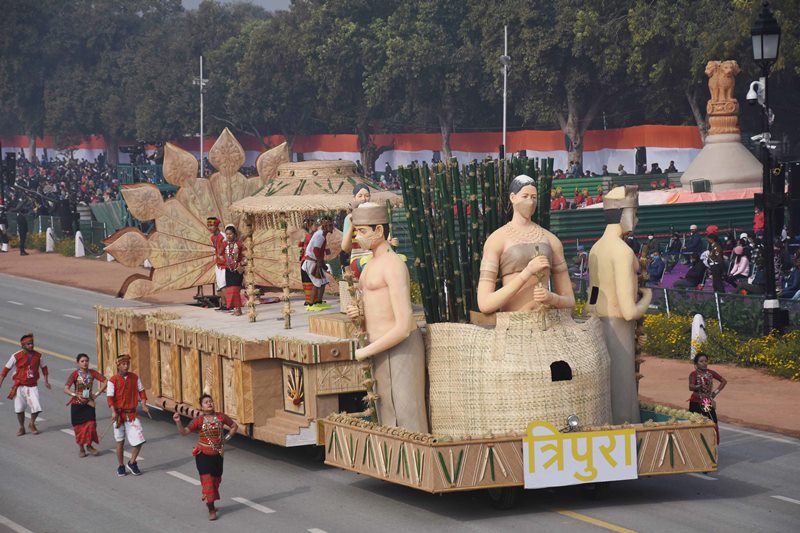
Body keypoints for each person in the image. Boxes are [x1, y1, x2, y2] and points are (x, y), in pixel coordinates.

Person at [345, 203, 427, 433]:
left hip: (400, 350)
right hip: (379, 348)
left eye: (362, 231)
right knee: (386, 414)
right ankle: (394, 468)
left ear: (379, 231)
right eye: (356, 231)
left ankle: (415, 466)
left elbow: (403, 326)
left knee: (406, 415)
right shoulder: (370, 266)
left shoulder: (393, 265)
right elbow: (371, 308)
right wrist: (358, 313)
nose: (357, 237)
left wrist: (366, 351)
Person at [585, 186, 652, 424]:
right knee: (623, 396)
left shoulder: (596, 248)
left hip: (596, 324)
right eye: (634, 212)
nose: (636, 218)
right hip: (619, 329)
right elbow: (629, 311)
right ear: (625, 213)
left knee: (605, 393)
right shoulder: (622, 252)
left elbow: (591, 296)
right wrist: (647, 297)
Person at [173, 394, 238, 521]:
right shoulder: (199, 420)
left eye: (211, 401)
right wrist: (178, 422)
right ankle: (211, 509)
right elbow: (184, 432)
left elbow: (234, 426)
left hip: (218, 455)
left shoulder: (221, 417)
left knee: (216, 481)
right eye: (206, 402)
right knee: (208, 482)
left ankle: (209, 497)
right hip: (203, 455)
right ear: (201, 406)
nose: (209, 403)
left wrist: (226, 439)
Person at [0, 333, 51, 435]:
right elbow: (5, 370)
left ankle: (32, 423)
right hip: (19, 386)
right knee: (19, 409)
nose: (31, 346)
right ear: (22, 345)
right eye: (28, 344)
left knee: (36, 407)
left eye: (32, 343)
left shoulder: (38, 356)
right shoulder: (16, 356)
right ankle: (21, 427)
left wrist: (46, 381)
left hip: (32, 386)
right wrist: (0, 382)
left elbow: (44, 368)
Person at [107, 353, 149, 476]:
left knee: (140, 440)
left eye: (127, 364)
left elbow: (142, 392)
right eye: (124, 364)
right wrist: (113, 412)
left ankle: (132, 462)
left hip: (131, 415)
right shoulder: (112, 380)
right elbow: (110, 398)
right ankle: (120, 466)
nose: (126, 366)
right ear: (118, 365)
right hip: (119, 416)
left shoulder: (134, 377)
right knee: (120, 441)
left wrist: (144, 404)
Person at [64, 353, 107, 457]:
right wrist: (75, 395)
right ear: (78, 363)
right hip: (77, 405)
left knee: (91, 425)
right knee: (79, 428)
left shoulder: (92, 373)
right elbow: (66, 389)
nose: (85, 363)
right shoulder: (74, 374)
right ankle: (81, 448)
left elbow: (106, 381)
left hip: (89, 403)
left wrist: (97, 393)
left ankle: (89, 445)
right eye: (82, 361)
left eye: (86, 361)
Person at [688, 352, 726, 443]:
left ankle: (711, 444)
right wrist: (698, 387)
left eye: (705, 361)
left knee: (712, 422)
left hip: (706, 402)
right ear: (696, 364)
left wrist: (715, 392)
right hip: (695, 402)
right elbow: (690, 387)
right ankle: (694, 443)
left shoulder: (711, 373)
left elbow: (724, 381)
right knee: (694, 423)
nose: (704, 363)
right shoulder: (693, 374)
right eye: (701, 361)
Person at [340, 184, 373, 278]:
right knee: (367, 262)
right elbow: (345, 248)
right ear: (354, 198)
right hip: (359, 259)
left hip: (375, 256)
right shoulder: (349, 218)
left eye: (367, 196)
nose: (364, 199)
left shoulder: (375, 216)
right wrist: (351, 226)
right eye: (360, 196)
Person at [302, 216, 333, 310]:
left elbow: (318, 250)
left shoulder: (321, 235)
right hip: (311, 262)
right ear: (325, 226)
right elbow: (316, 250)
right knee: (317, 283)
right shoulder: (320, 235)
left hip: (314, 262)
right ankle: (311, 304)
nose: (332, 227)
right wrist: (321, 262)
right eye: (330, 225)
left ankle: (318, 301)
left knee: (322, 282)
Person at [222, 224, 245, 316]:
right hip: (228, 270)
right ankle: (236, 308)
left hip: (237, 270)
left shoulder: (239, 244)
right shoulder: (224, 244)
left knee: (236, 289)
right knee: (230, 290)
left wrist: (242, 263)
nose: (228, 236)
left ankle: (238, 309)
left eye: (230, 234)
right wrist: (227, 261)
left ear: (235, 234)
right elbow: (219, 254)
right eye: (227, 234)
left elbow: (246, 254)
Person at [207, 217, 227, 311]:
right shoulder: (212, 237)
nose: (210, 228)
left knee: (223, 285)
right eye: (209, 226)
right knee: (219, 285)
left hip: (225, 264)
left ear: (216, 225)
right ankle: (223, 305)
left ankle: (227, 305)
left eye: (212, 226)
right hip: (218, 264)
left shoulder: (223, 236)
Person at [299, 217, 319, 306]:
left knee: (307, 280)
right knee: (312, 281)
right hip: (309, 260)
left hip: (305, 260)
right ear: (310, 226)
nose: (317, 226)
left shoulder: (305, 235)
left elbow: (299, 245)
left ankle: (308, 299)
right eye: (315, 225)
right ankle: (312, 300)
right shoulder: (310, 236)